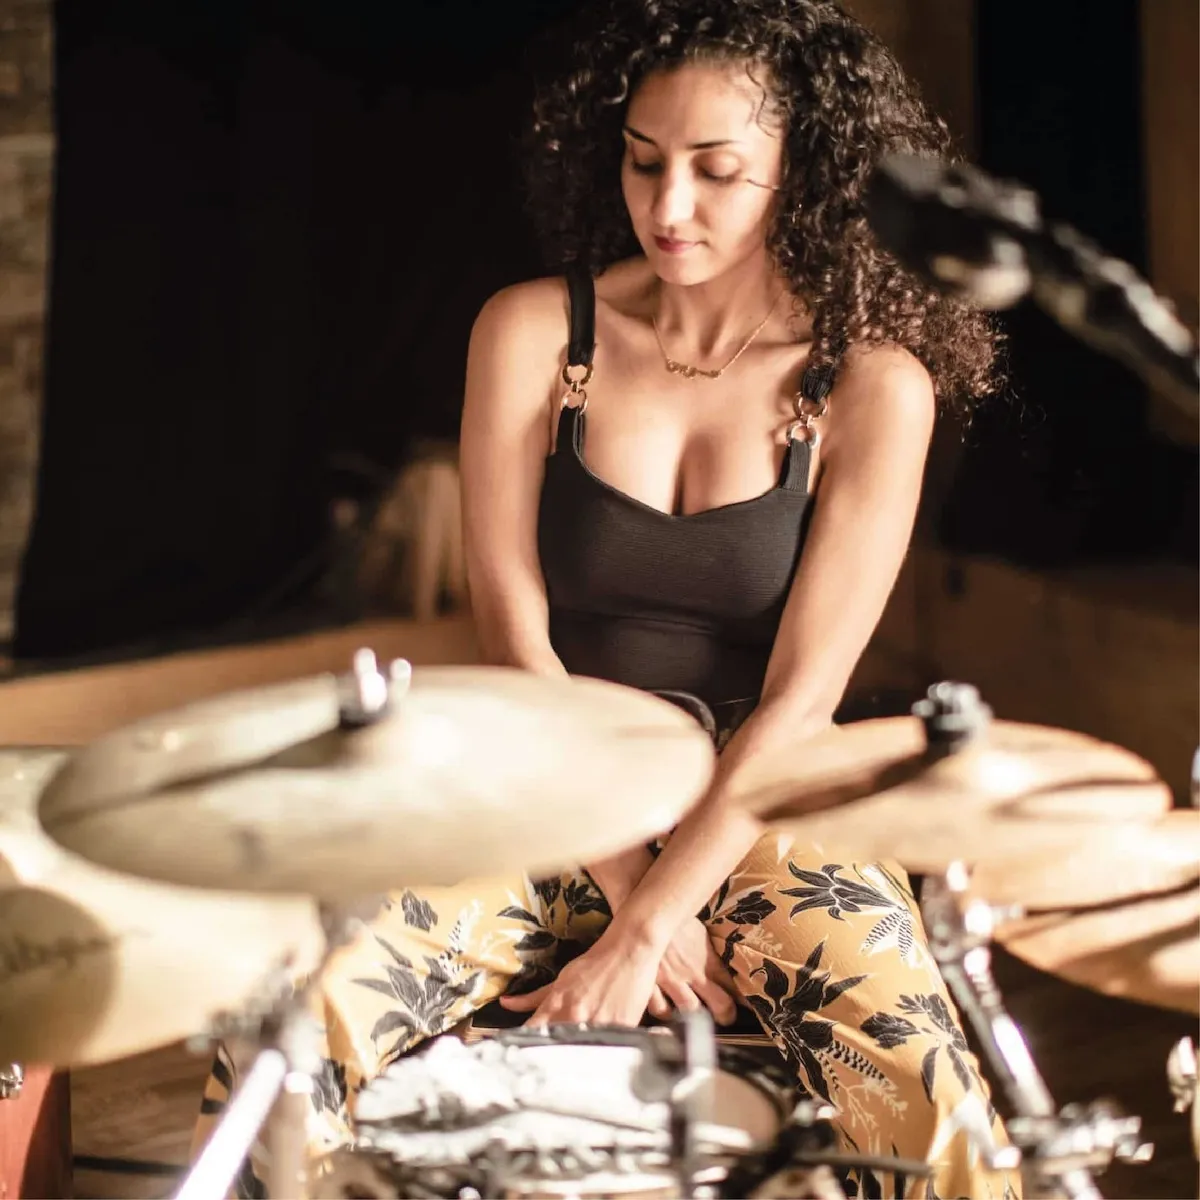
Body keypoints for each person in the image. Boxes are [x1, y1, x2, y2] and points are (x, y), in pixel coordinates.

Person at [193, 2, 1018, 1196]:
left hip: (763, 792)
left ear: (804, 173)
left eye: (716, 171)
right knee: (286, 1024)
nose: (669, 206)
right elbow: (515, 637)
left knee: (939, 1106)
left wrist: (653, 924)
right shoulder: (533, 331)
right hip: (542, 771)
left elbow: (800, 705)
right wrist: (634, 900)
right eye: (643, 161)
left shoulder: (875, 386)